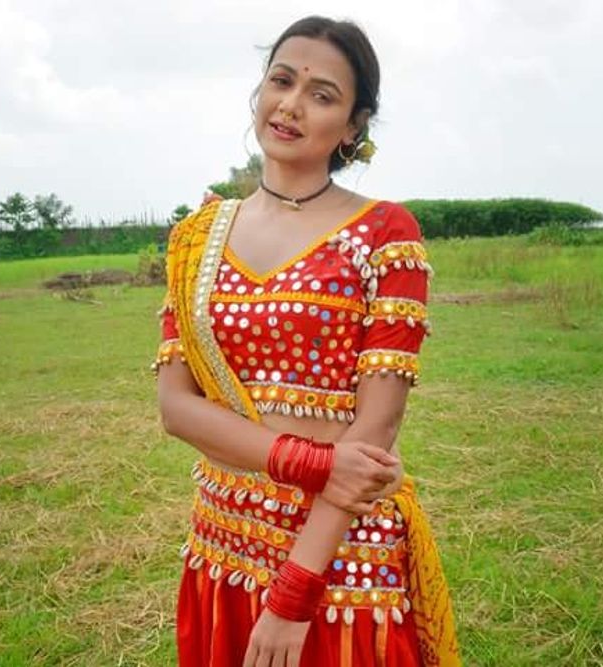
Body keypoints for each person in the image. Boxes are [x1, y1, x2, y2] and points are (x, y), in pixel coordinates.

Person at [153, 16, 460, 667]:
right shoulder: (195, 239)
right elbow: (176, 407)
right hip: (225, 535)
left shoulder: (385, 233)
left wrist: (295, 591)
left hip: (340, 549)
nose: (291, 104)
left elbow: (376, 429)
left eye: (322, 95)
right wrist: (315, 462)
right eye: (282, 80)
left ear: (353, 126)